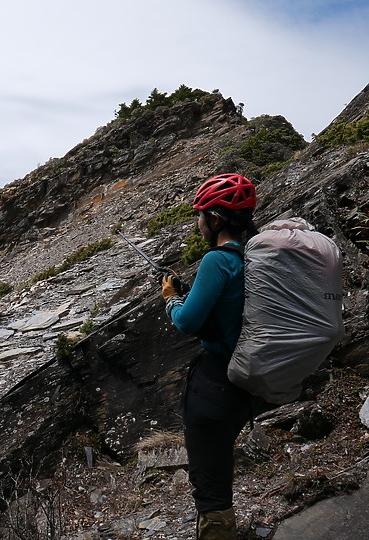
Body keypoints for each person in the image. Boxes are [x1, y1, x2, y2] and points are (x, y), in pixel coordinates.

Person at [161, 173, 259, 539]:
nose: (199, 222)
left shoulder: (217, 260)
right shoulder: (247, 259)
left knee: (210, 487)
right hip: (241, 383)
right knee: (218, 468)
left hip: (215, 382)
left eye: (201, 214)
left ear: (215, 219)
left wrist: (171, 298)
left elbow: (187, 321)